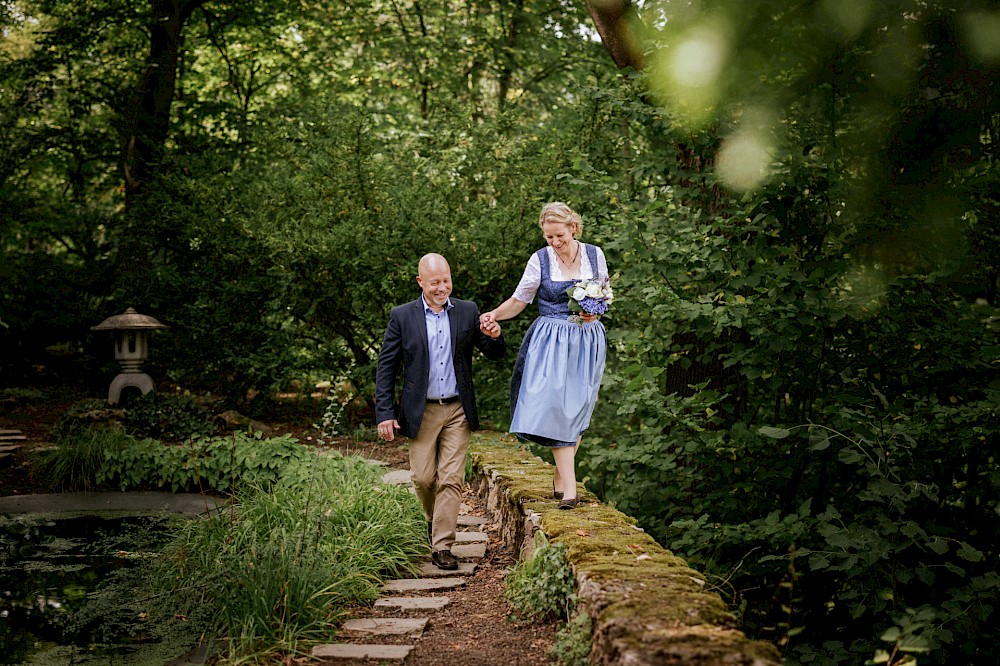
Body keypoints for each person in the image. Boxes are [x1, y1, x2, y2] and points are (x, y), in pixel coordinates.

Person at [375, 253, 506, 570]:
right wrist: (384, 413)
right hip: (422, 411)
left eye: (446, 280)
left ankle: (443, 545)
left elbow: (493, 353)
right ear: (421, 282)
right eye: (435, 282)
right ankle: (434, 521)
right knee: (423, 478)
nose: (442, 287)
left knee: (450, 479)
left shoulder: (467, 311)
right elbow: (386, 367)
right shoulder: (402, 317)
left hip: (458, 409)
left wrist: (495, 336)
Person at [480, 202, 608, 510]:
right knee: (556, 408)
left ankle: (559, 476)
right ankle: (570, 491)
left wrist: (595, 312)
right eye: (549, 237)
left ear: (573, 228)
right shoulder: (540, 260)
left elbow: (604, 295)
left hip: (587, 339)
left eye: (559, 236)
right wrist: (494, 314)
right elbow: (520, 299)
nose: (554, 242)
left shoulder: (595, 255)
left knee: (578, 409)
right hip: (550, 340)